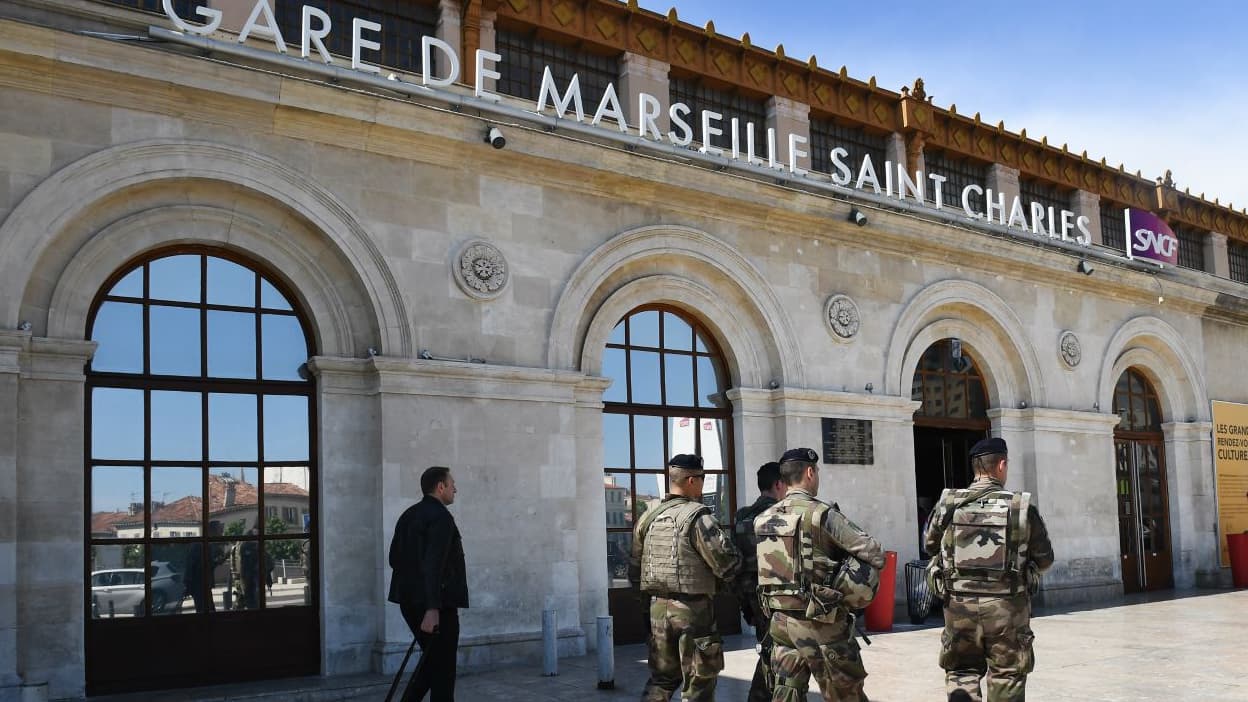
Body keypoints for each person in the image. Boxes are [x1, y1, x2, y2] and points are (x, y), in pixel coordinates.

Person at [922, 437, 1054, 702]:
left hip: (959, 607)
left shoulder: (948, 504)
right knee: (1007, 674)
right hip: (1006, 610)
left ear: (975, 468)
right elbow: (1045, 560)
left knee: (961, 672)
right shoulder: (1020, 507)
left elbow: (930, 545)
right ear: (1002, 465)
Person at [755, 448, 885, 702]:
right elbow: (875, 553)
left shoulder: (762, 519)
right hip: (823, 625)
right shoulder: (822, 514)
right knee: (845, 695)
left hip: (780, 624)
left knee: (786, 694)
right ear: (810, 472)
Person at [629, 453, 741, 702]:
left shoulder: (648, 517)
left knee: (661, 680)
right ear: (691, 480)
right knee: (699, 682)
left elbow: (634, 570)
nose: (702, 484)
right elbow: (727, 564)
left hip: (657, 609)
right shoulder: (698, 518)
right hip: (693, 611)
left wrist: (647, 608)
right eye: (702, 479)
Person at [388, 466, 468, 702]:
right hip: (436, 607)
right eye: (452, 484)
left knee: (432, 664)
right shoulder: (441, 517)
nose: (456, 489)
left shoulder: (408, 515)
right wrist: (432, 609)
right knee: (443, 671)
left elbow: (394, 558)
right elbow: (434, 564)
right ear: (440, 487)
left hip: (409, 603)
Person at [733, 461, 785, 702]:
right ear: (778, 484)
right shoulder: (783, 515)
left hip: (752, 599)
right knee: (781, 657)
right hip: (779, 602)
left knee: (770, 652)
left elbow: (735, 565)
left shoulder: (742, 517)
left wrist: (745, 606)